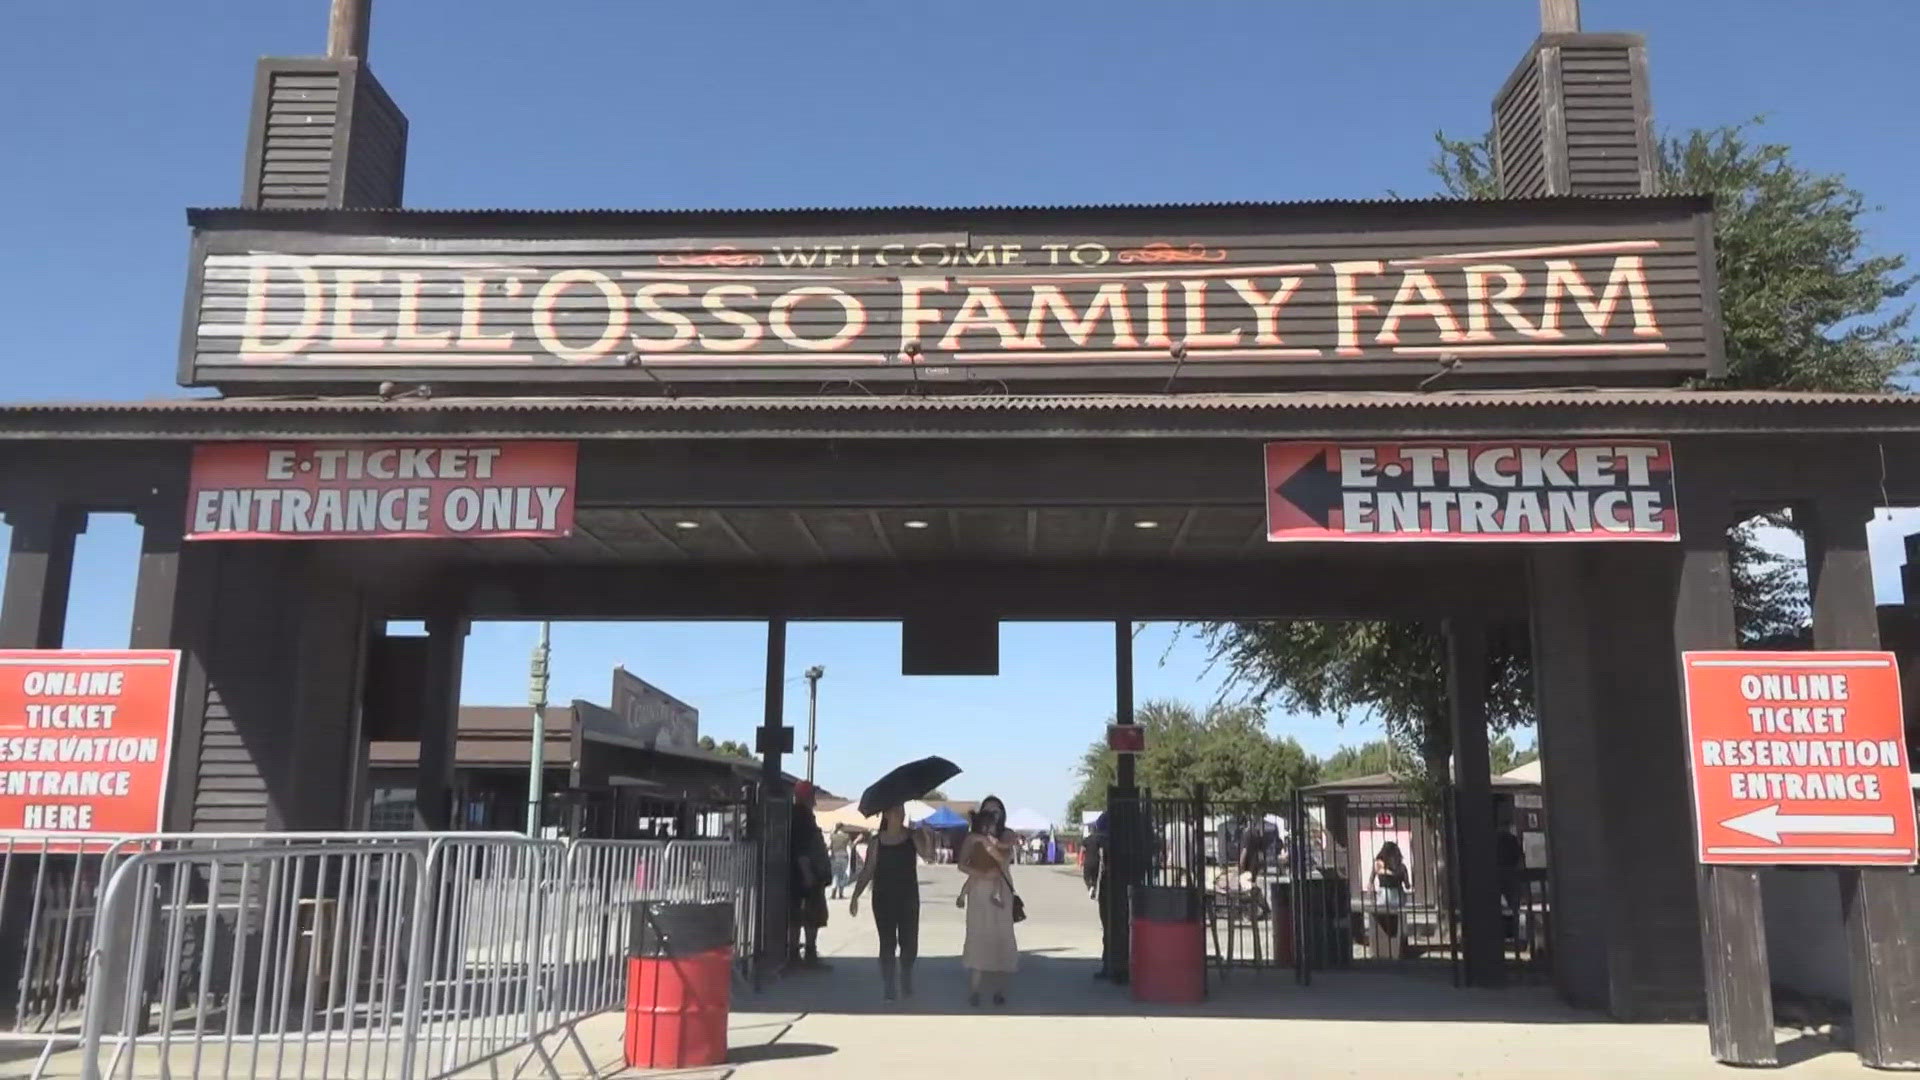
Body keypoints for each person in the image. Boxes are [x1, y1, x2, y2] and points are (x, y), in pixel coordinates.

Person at [847, 804, 933, 1001]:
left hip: (908, 896)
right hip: (883, 897)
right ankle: (889, 983)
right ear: (886, 814)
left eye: (901, 810)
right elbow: (868, 870)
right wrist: (855, 896)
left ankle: (906, 975)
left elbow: (928, 857)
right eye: (895, 811)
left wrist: (926, 837)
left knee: (909, 942)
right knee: (887, 942)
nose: (900, 814)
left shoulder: (912, 836)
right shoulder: (877, 842)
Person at [957, 795, 1020, 1006]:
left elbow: (1005, 857)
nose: (993, 815)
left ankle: (1000, 990)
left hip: (1001, 888)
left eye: (997, 811)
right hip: (978, 888)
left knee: (1001, 936)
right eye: (989, 810)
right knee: (978, 935)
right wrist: (980, 874)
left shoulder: (1006, 835)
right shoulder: (972, 837)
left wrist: (991, 845)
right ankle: (974, 989)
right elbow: (962, 864)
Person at [788, 781, 832, 968]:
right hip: (806, 875)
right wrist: (808, 875)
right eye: (812, 794)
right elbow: (802, 849)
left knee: (799, 915)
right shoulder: (802, 817)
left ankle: (796, 953)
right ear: (805, 796)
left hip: (802, 874)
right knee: (810, 915)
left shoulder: (799, 815)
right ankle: (808, 954)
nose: (814, 798)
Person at [1371, 841, 1410, 960]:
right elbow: (1407, 885)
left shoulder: (1380, 864)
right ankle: (1396, 946)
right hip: (1393, 895)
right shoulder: (1400, 867)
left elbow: (1371, 880)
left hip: (1387, 895)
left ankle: (1387, 946)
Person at [829, 825, 855, 900]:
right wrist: (857, 840)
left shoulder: (832, 836)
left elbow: (829, 847)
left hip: (835, 857)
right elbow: (851, 846)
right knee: (842, 875)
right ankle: (840, 894)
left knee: (835, 875)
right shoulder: (846, 836)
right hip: (844, 857)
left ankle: (833, 894)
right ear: (843, 828)